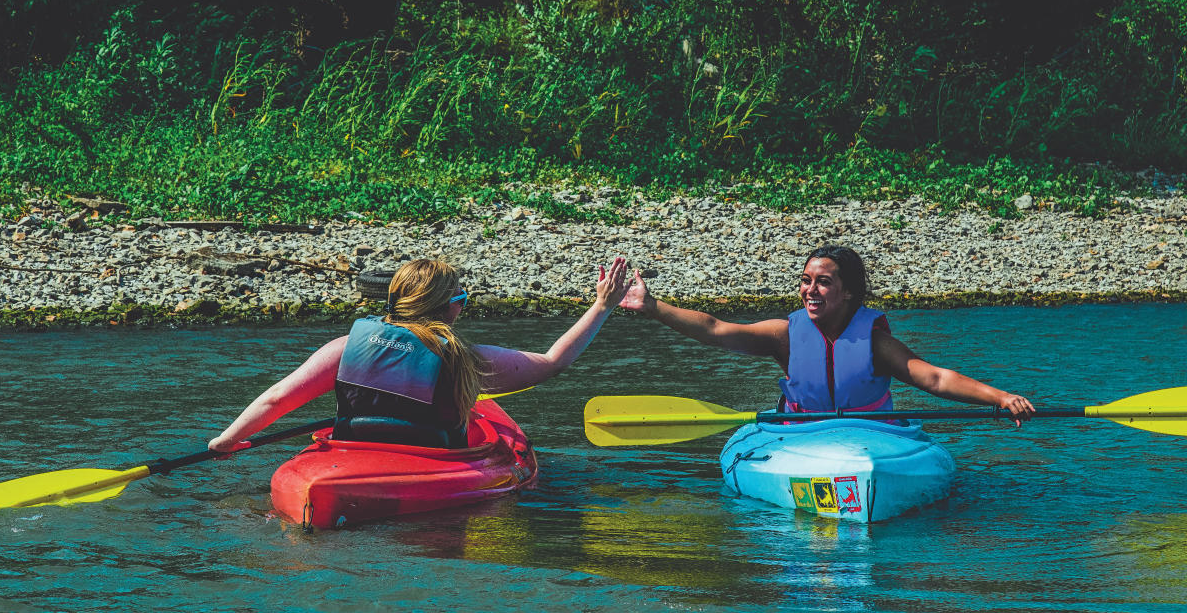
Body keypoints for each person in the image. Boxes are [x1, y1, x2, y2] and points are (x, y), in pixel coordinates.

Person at [209, 256, 632, 451]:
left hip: (355, 452)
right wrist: (602, 305)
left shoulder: (345, 348)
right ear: (453, 307)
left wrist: (226, 440)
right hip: (431, 460)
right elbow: (553, 363)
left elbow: (277, 400)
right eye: (462, 298)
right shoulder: (464, 358)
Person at [620, 245, 1035, 423]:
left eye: (822, 282)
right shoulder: (784, 334)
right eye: (805, 281)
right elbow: (716, 329)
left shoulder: (873, 341)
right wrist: (653, 307)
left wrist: (1000, 398)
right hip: (804, 434)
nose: (809, 290)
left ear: (849, 292)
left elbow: (935, 378)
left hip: (869, 435)